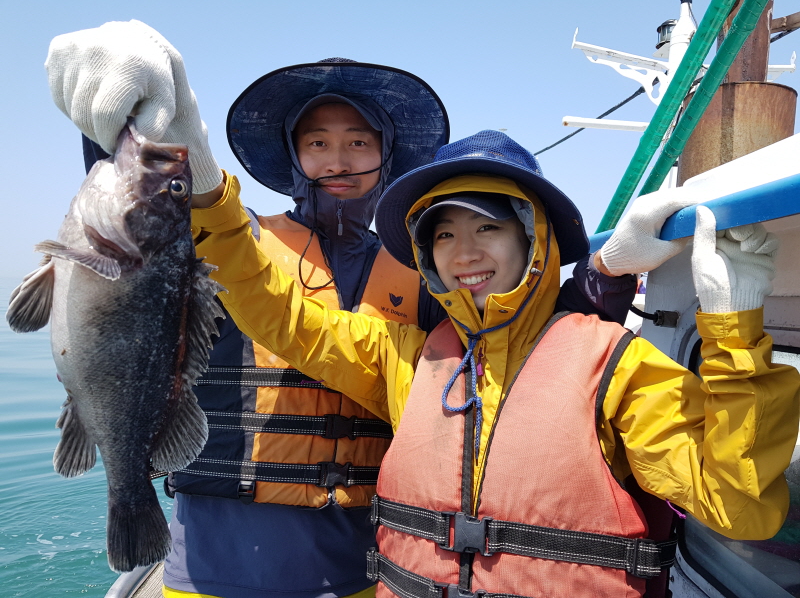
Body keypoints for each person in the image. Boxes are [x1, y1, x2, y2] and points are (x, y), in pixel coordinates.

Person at [46, 21, 643, 598]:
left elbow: (523, 352)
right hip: (207, 567)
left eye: (359, 142)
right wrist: (116, 112)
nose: (338, 160)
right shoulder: (240, 240)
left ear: (387, 154)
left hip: (357, 572)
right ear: (294, 157)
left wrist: (606, 274)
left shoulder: (431, 271)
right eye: (318, 143)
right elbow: (139, 241)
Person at [181, 128, 800, 598]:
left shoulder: (614, 364)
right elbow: (277, 310)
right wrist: (206, 187)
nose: (463, 253)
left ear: (533, 238)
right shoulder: (406, 357)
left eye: (487, 228)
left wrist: (734, 329)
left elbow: (737, 505)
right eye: (442, 234)